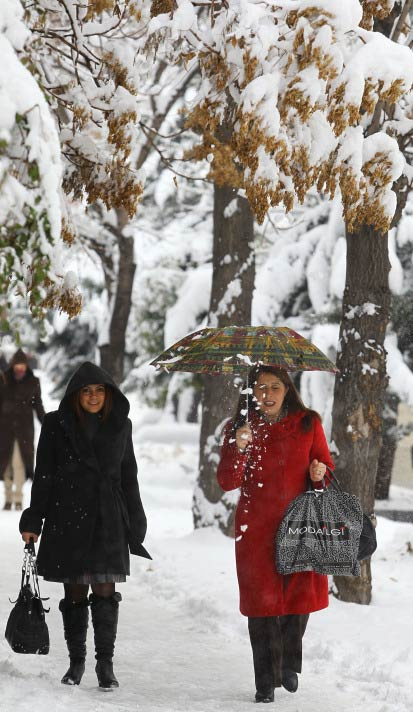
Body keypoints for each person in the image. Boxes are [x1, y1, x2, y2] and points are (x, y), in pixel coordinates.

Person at [19, 361, 150, 690]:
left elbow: (128, 476)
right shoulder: (55, 424)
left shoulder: (122, 425)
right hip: (68, 517)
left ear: (109, 394)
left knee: (106, 592)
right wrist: (34, 518)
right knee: (75, 592)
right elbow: (44, 475)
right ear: (76, 396)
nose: (94, 397)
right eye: (87, 391)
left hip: (108, 518)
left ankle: (105, 664)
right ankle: (76, 661)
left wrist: (135, 520)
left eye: (100, 391)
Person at [217, 365, 334, 704]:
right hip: (257, 530)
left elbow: (325, 469)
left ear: (287, 389)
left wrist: (318, 473)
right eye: (260, 388)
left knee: (299, 601)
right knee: (262, 606)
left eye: (274, 387)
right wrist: (238, 448)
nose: (266, 395)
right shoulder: (240, 428)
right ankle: (265, 681)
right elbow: (227, 481)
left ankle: (287, 664)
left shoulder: (307, 423)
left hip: (300, 526)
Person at [0, 348, 45, 510]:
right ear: (12, 366)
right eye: (17, 366)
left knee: (19, 463)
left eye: (22, 366)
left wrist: (47, 423)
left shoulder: (33, 382)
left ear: (26, 366)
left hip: (24, 430)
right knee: (5, 464)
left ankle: (18, 497)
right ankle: (8, 497)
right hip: (5, 430)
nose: (20, 369)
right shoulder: (4, 380)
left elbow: (38, 406)